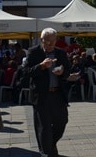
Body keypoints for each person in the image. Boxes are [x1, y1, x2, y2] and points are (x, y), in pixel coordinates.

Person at [24, 27, 71, 157]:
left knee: (61, 122)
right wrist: (41, 66)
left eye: (53, 41)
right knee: (44, 128)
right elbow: (25, 72)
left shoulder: (60, 53)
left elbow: (67, 69)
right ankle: (46, 152)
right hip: (41, 96)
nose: (50, 44)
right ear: (41, 40)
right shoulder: (33, 52)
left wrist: (62, 72)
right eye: (47, 41)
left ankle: (51, 144)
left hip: (57, 94)